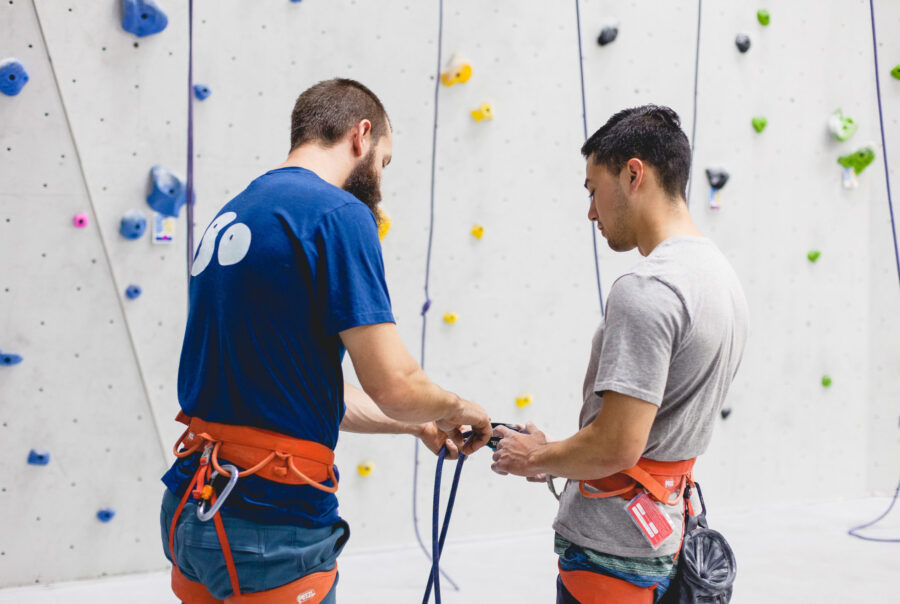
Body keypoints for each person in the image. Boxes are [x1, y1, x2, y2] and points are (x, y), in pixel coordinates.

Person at [160, 78, 492, 604]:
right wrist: (455, 406)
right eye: (384, 161)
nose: (379, 181)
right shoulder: (340, 215)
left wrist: (420, 425)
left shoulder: (238, 210)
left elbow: (301, 398)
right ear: (361, 135)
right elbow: (393, 383)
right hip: (269, 524)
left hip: (194, 509)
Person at [490, 105, 749, 603]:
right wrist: (555, 455)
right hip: (668, 535)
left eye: (593, 190)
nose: (591, 211)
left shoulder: (647, 288)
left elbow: (618, 447)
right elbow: (652, 430)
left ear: (634, 173)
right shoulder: (720, 277)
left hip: (613, 555)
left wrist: (536, 456)